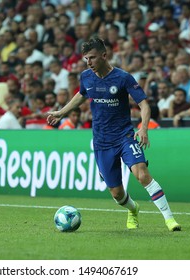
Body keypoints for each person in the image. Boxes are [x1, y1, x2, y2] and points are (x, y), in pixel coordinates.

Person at [47, 37, 181, 232]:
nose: (89, 62)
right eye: (86, 58)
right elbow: (81, 94)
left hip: (124, 136)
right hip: (102, 141)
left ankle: (170, 220)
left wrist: (143, 128)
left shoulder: (123, 77)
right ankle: (133, 209)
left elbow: (143, 104)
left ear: (104, 55)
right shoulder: (86, 76)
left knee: (142, 174)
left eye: (92, 57)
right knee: (117, 193)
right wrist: (61, 112)